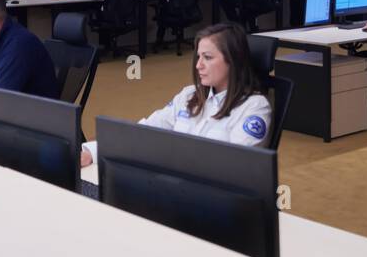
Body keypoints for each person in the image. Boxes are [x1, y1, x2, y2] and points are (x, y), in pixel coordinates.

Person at [80, 22, 272, 167]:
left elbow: (237, 168)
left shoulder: (254, 107)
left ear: (234, 60)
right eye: (198, 57)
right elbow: (144, 132)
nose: (198, 66)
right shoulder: (189, 95)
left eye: (208, 57)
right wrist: (92, 151)